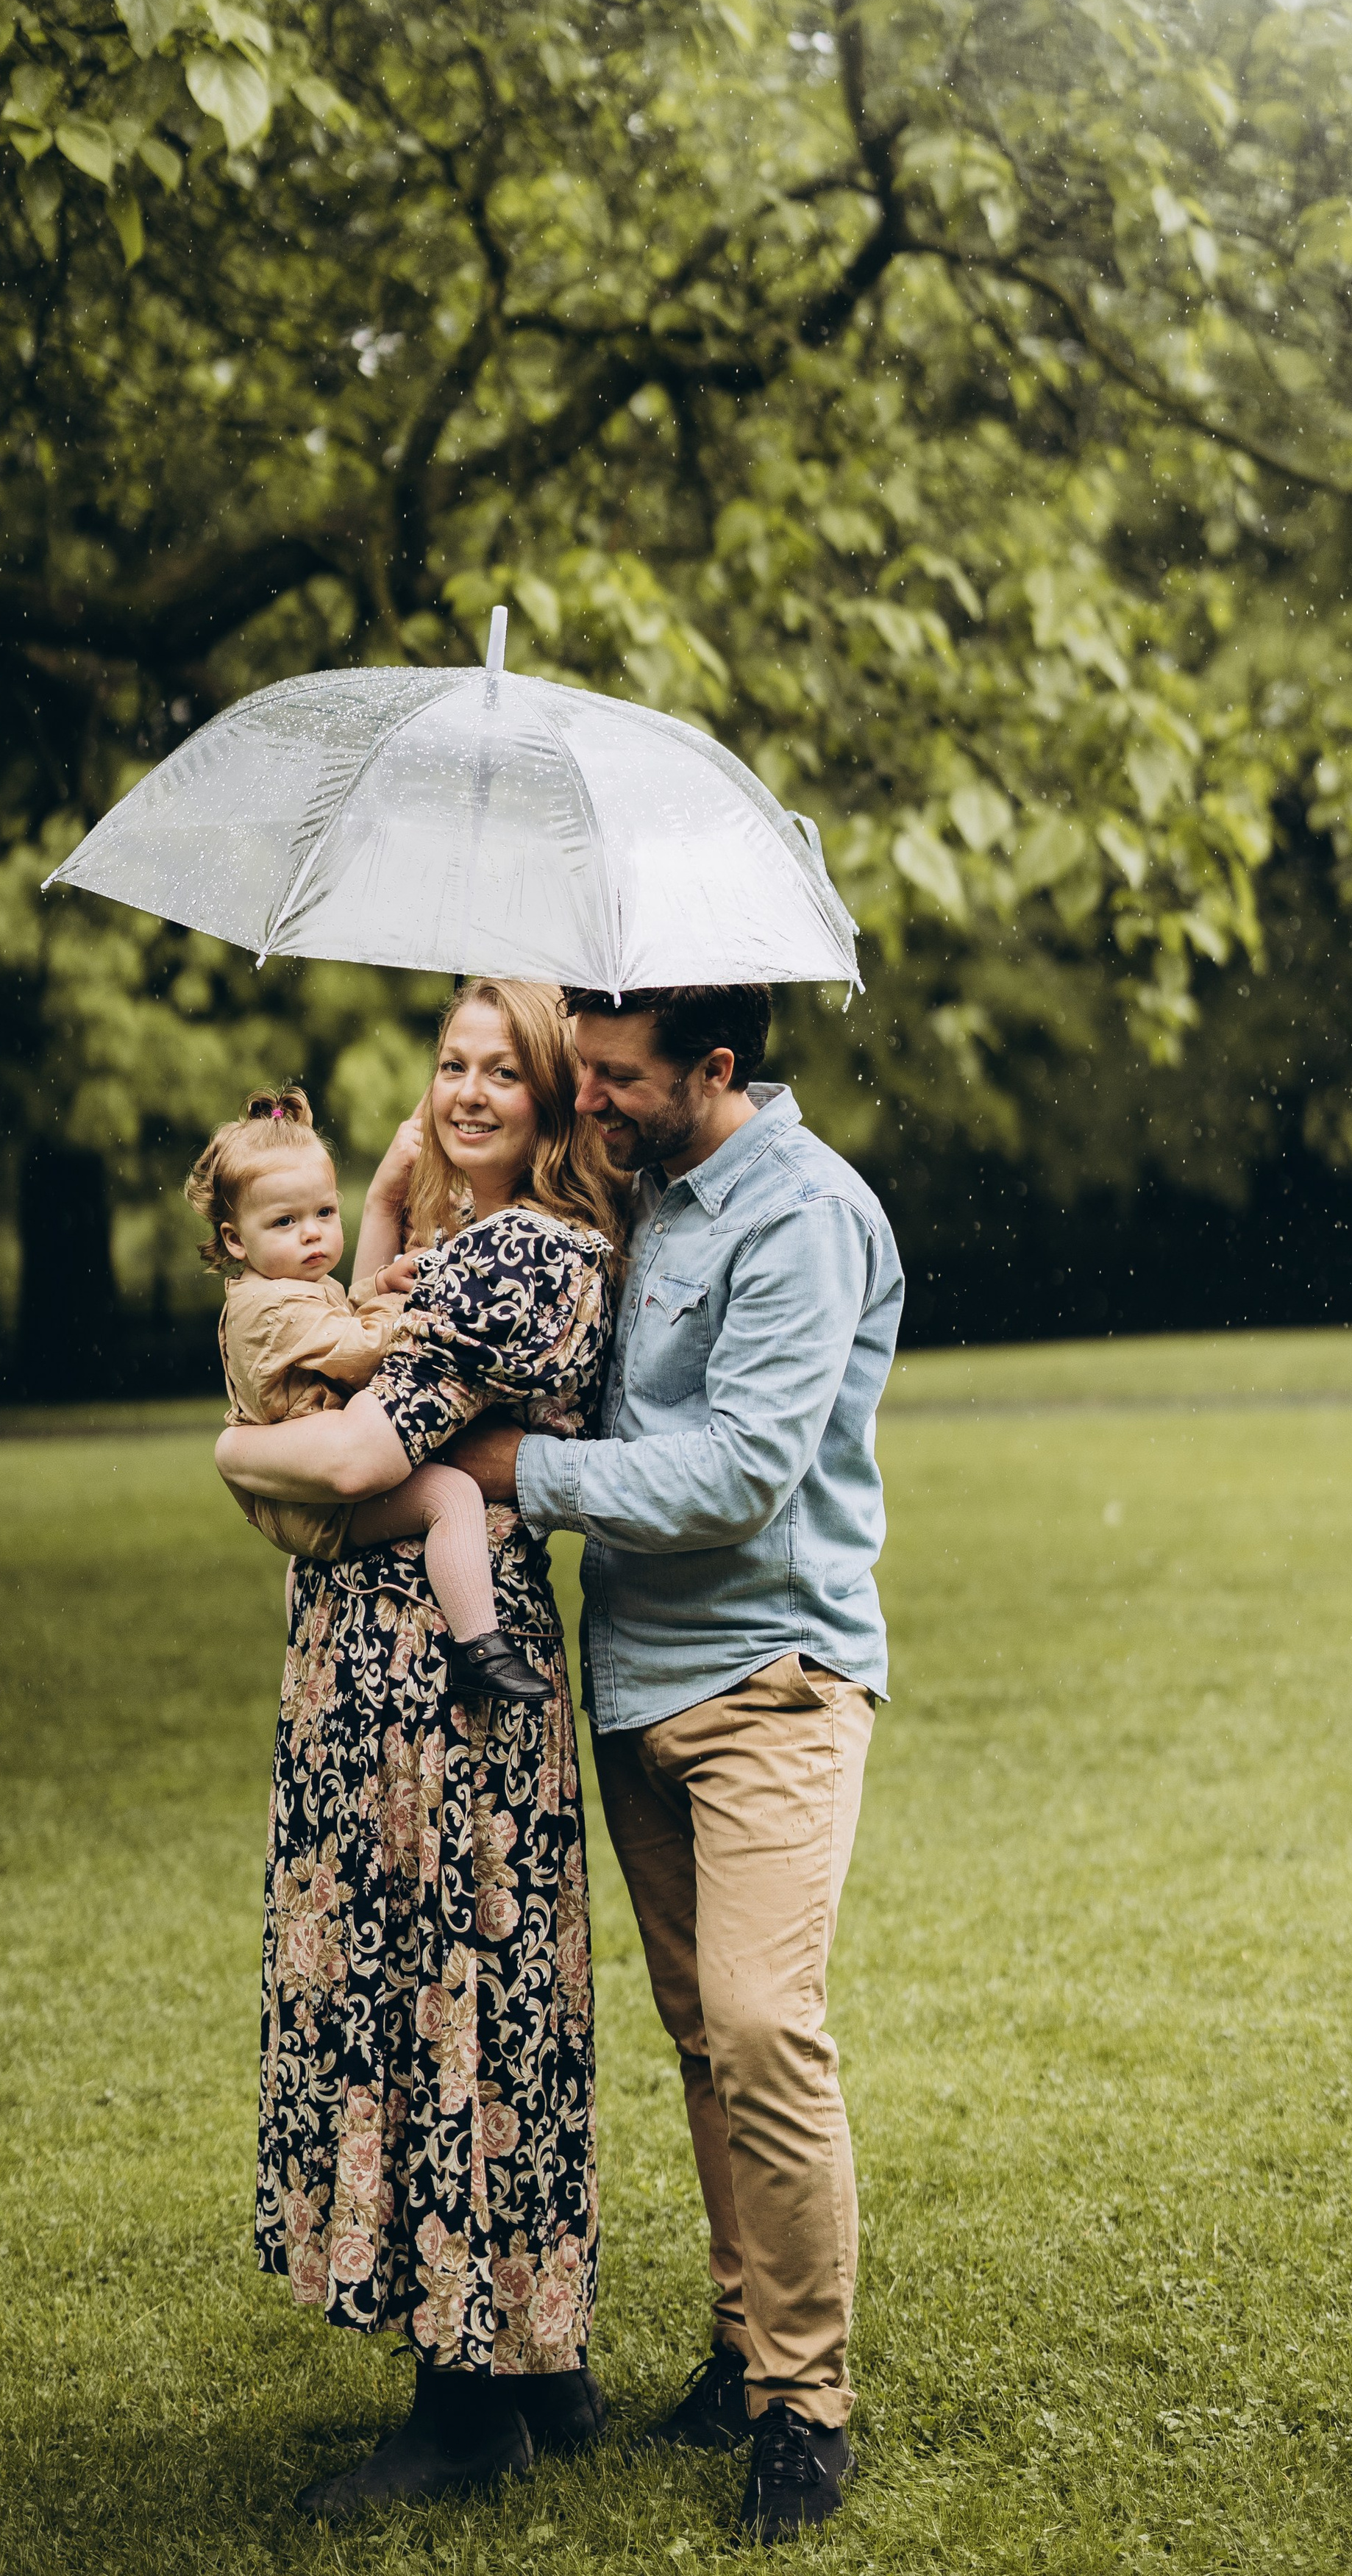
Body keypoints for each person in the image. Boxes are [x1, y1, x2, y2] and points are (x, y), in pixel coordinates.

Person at [442, 983, 904, 2547]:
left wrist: (526, 1472)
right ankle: (736, 2349)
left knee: (769, 2027)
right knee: (704, 2033)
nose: (592, 1103)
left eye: (620, 1081)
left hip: (770, 1679)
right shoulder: (631, 1187)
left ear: (715, 1069)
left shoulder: (803, 1214)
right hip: (636, 1679)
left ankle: (803, 2406)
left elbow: (737, 1470)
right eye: (587, 1075)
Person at [213, 978, 629, 2521]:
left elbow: (358, 1444)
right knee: (473, 1989)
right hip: (382, 1666)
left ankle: (464, 2416)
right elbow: (379, 1366)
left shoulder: (531, 1258)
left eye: (498, 1073)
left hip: (430, 1689)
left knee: (450, 1992)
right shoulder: (453, 1250)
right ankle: (531, 2358)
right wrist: (390, 1197)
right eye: (447, 1066)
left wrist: (230, 1448)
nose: (464, 1094)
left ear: (552, 1097)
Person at [184, 1081, 544, 1704]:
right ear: (235, 1239)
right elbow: (354, 1352)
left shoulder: (280, 1285)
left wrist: (376, 1280)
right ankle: (479, 1647)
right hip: (318, 1496)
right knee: (452, 1494)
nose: (313, 1235)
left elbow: (331, 1318)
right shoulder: (267, 1311)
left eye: (325, 1213)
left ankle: (313, 1612)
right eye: (286, 1222)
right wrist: (413, 1310)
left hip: (307, 1478)